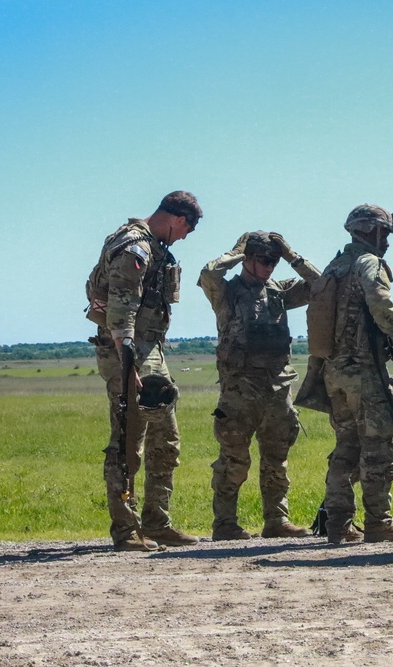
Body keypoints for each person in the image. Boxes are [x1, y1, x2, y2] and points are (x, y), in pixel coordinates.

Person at [86, 191, 203, 551]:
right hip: (129, 352)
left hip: (150, 351)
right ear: (179, 220)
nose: (184, 238)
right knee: (127, 442)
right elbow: (121, 308)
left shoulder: (153, 246)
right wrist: (128, 361)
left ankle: (157, 522)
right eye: (187, 230)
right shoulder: (135, 247)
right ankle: (126, 529)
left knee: (165, 440)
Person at [198, 231, 321, 541]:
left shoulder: (278, 292)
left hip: (278, 389)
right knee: (234, 460)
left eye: (274, 261)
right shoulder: (226, 293)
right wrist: (236, 251)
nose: (271, 266)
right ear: (248, 260)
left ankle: (276, 520)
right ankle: (225, 523)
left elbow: (322, 284)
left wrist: (292, 255)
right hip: (240, 391)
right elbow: (209, 273)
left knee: (276, 460)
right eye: (265, 260)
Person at [312, 204, 393, 544]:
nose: (386, 241)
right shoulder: (367, 263)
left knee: (346, 447)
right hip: (363, 371)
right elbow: (380, 302)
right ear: (371, 231)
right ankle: (378, 522)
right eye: (384, 233)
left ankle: (338, 525)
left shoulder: (335, 266)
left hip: (334, 373)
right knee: (378, 447)